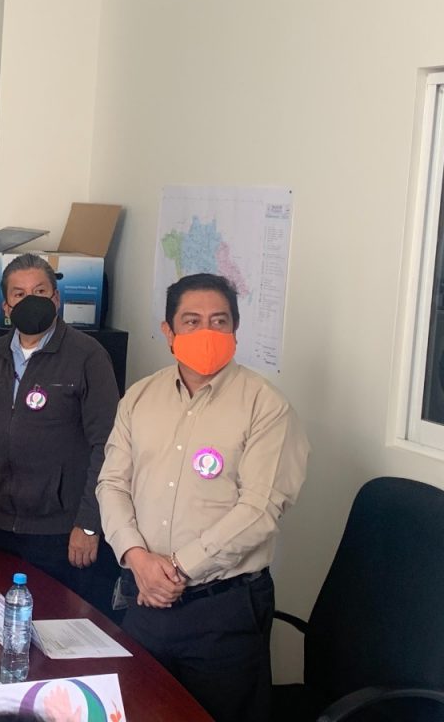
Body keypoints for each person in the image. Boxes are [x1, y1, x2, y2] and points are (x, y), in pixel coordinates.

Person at [97, 273, 309, 722]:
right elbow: (112, 484)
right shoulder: (140, 397)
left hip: (223, 611)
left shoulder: (266, 406)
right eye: (192, 321)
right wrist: (137, 558)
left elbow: (260, 509)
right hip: (144, 599)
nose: (207, 332)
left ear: (236, 329)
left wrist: (176, 569)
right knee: (136, 711)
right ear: (168, 331)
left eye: (220, 321)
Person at [0, 254, 121, 617]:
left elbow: (108, 447)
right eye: (19, 294)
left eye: (40, 291)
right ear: (6, 306)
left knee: (55, 631)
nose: (30, 300)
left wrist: (89, 524)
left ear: (56, 299)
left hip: (61, 533)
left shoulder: (88, 356)